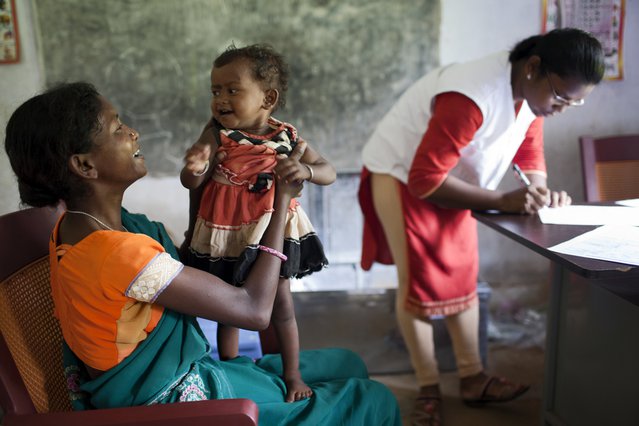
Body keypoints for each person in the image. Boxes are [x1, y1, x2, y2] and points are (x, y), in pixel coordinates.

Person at [4, 82, 400, 425]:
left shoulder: (88, 226)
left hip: (179, 373)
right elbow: (254, 310)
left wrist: (206, 188)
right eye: (117, 128)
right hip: (175, 403)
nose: (134, 133)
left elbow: (182, 267)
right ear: (84, 165)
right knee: (374, 401)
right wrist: (279, 205)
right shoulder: (115, 252)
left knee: (346, 364)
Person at [358, 28, 604, 425]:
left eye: (572, 104)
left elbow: (528, 145)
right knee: (418, 285)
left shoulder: (534, 94)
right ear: (534, 67)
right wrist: (504, 201)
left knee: (464, 276)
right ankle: (428, 388)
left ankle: (472, 378)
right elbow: (425, 180)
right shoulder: (470, 96)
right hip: (403, 175)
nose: (560, 108)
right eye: (559, 97)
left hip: (449, 180)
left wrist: (539, 191)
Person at [179, 43, 336, 402]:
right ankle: (233, 369)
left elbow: (328, 171)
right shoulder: (215, 135)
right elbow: (192, 183)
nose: (220, 99)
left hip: (272, 234)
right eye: (215, 90)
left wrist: (307, 170)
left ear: (268, 98)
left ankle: (292, 374)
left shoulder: (287, 137)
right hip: (227, 234)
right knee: (230, 310)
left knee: (281, 306)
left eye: (232, 90)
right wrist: (193, 169)